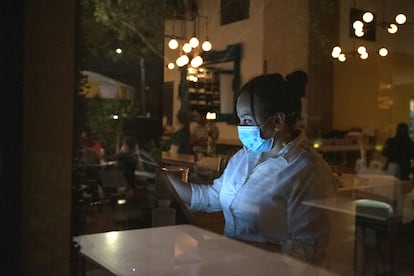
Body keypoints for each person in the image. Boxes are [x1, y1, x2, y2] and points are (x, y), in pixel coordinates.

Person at [164, 72, 336, 265]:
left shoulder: (308, 171)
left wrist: (235, 247)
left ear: (278, 121)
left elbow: (310, 250)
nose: (241, 128)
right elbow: (212, 196)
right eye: (239, 120)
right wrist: (164, 178)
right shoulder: (243, 158)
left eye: (246, 120)